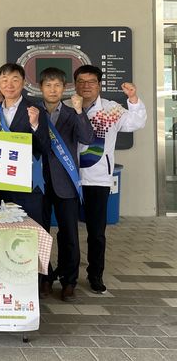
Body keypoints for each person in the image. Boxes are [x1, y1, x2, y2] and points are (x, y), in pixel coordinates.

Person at [75, 64, 146, 294]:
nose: (86, 86)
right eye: (81, 82)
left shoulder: (112, 109)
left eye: (91, 82)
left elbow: (137, 122)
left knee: (96, 232)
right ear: (75, 84)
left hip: (98, 179)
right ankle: (68, 273)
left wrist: (133, 98)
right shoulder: (67, 108)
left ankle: (95, 274)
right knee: (67, 230)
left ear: (99, 85)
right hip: (69, 179)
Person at [0, 63, 51, 296]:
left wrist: (36, 125)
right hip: (1, 184)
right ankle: (6, 284)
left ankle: (32, 290)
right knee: (4, 234)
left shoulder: (35, 110)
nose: (9, 84)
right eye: (4, 79)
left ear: (23, 83)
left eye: (15, 79)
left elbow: (45, 147)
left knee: (30, 233)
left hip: (29, 182)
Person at [37, 67, 95, 302]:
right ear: (40, 88)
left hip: (66, 183)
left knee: (69, 233)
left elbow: (87, 138)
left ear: (64, 88)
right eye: (48, 85)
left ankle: (69, 281)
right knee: (40, 233)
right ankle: (44, 278)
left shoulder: (73, 113)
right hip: (38, 183)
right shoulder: (32, 112)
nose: (53, 89)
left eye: (57, 85)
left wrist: (81, 111)